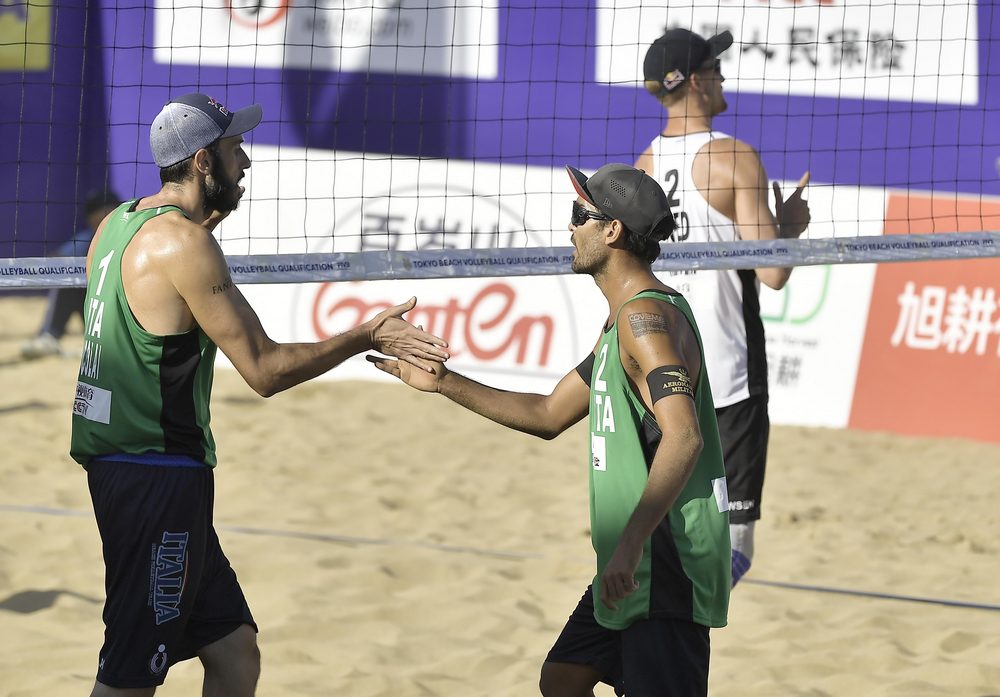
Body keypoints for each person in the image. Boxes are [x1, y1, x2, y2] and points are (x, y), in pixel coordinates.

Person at [70, 92, 449, 697]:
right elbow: (266, 369)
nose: (244, 161)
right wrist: (364, 335)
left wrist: (204, 225)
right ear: (201, 162)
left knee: (234, 650)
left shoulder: (119, 224)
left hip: (127, 466)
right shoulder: (184, 245)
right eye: (233, 149)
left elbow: (149, 315)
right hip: (155, 477)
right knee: (128, 678)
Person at [371, 163, 730, 697]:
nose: (569, 229)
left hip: (662, 557)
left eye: (578, 216)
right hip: (637, 556)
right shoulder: (623, 322)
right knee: (563, 678)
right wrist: (444, 382)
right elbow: (547, 414)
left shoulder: (645, 320)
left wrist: (631, 543)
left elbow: (684, 436)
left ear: (612, 231)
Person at [636, 28, 812, 586]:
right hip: (728, 372)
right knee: (733, 547)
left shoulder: (641, 166)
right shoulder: (733, 158)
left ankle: (653, 637)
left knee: (667, 531)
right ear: (694, 81)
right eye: (715, 67)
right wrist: (788, 230)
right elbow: (774, 273)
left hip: (661, 365)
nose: (722, 75)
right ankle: (678, 641)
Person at [20, 189, 121, 359]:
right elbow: (55, 260)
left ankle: (104, 343)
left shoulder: (133, 234)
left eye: (111, 210)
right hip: (95, 309)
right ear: (91, 218)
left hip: (122, 309)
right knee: (69, 277)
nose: (106, 216)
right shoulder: (88, 238)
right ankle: (50, 336)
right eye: (102, 211)